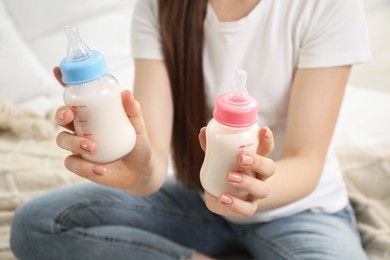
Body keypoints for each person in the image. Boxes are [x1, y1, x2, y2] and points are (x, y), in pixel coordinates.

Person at [10, 0, 371, 259]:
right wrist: (135, 167)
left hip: (299, 211)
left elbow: (306, 160)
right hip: (200, 200)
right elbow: (152, 168)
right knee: (39, 224)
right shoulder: (160, 6)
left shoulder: (328, 5)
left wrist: (246, 190)